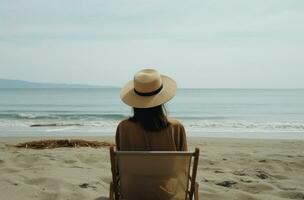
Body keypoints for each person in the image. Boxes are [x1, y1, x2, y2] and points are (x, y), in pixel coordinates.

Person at [116, 68, 187, 151]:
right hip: (165, 165)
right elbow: (184, 162)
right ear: (161, 100)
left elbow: (119, 162)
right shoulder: (176, 127)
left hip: (135, 164)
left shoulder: (123, 127)